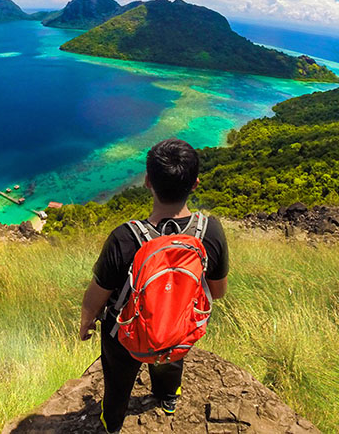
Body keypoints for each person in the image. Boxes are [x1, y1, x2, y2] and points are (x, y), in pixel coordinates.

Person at [79, 138, 229, 434]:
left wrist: (86, 321)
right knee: (169, 360)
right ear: (195, 183)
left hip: (125, 335)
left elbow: (97, 296)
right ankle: (168, 398)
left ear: (148, 181)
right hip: (177, 327)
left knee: (118, 381)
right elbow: (219, 291)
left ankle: (113, 423)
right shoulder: (210, 231)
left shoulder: (124, 237)